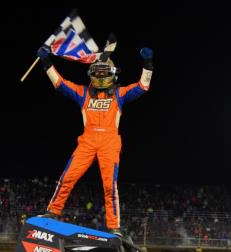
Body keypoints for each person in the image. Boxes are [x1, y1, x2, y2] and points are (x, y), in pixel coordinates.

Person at [35, 45, 154, 236]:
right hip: (87, 141)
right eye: (97, 72)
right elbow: (60, 83)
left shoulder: (119, 93)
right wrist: (45, 61)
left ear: (112, 74)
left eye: (103, 72)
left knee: (109, 186)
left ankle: (114, 227)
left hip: (109, 142)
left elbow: (143, 86)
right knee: (67, 178)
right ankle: (52, 212)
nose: (100, 76)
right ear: (92, 73)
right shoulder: (83, 92)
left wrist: (147, 63)